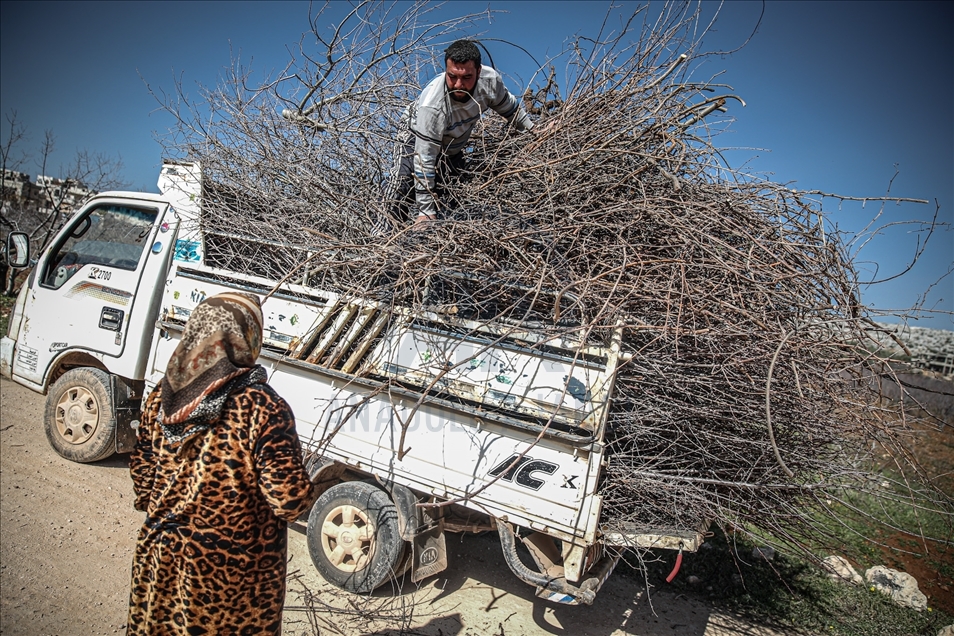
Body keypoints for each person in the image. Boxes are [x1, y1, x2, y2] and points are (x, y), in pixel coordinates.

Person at [127, 291, 314, 635]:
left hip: (160, 559)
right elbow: (289, 500)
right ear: (248, 338)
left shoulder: (162, 396)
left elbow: (142, 480)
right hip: (230, 582)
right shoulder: (263, 407)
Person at [384, 39, 535, 224]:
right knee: (401, 183)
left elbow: (511, 110)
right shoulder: (432, 104)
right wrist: (425, 211)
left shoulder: (490, 82)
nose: (458, 85)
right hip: (415, 136)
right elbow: (424, 158)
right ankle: (380, 241)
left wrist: (534, 132)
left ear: (479, 71)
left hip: (452, 145)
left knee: (457, 195)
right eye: (452, 76)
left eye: (466, 77)